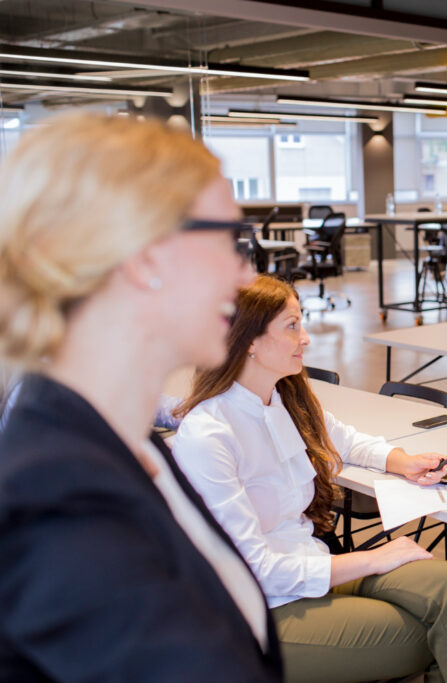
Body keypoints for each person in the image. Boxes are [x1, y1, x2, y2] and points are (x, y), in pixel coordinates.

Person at [0, 113, 280, 679]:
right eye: (229, 240)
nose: (246, 276)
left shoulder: (128, 445)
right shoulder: (55, 502)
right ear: (145, 256)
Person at [172, 274, 447, 683]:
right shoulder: (210, 435)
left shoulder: (280, 397)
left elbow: (343, 439)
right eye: (292, 326)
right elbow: (254, 570)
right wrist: (372, 559)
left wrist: (402, 460)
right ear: (250, 342)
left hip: (313, 565)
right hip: (262, 610)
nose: (306, 339)